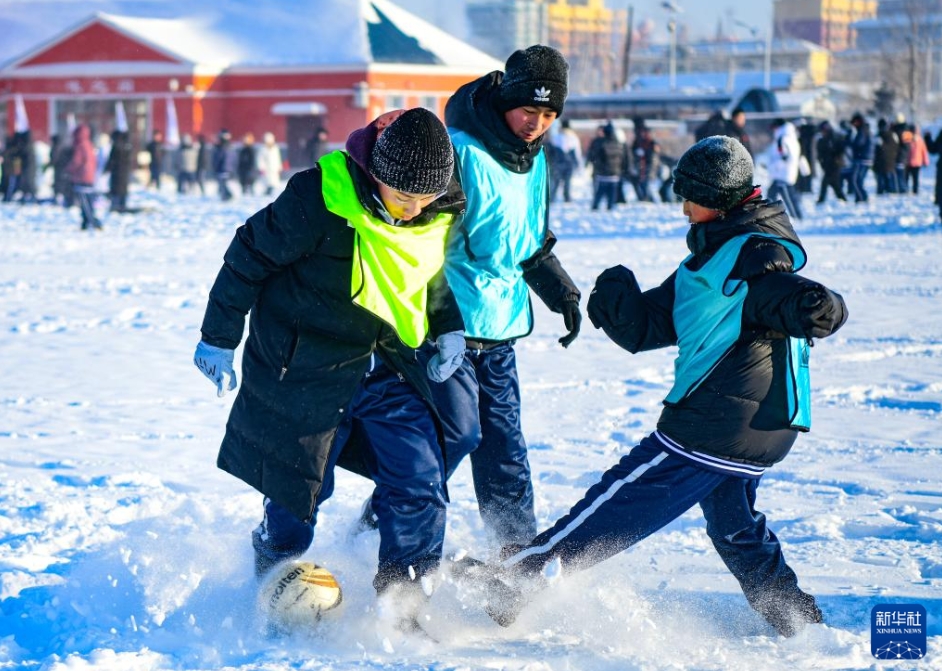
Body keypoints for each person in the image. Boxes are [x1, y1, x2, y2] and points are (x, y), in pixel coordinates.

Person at [453, 135, 849, 638]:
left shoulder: (755, 255)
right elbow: (650, 326)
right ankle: (799, 622)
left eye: (690, 195)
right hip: (756, 428)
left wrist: (819, 305)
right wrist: (616, 301)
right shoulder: (709, 259)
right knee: (736, 529)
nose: (682, 206)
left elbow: (794, 298)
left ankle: (518, 579)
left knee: (618, 501)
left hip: (716, 423)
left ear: (722, 198)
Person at [193, 108, 466, 630]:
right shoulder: (318, 197)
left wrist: (448, 325)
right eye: (402, 197)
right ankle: (273, 580)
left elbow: (425, 276)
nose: (413, 211)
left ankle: (404, 607)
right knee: (297, 499)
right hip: (306, 367)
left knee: (419, 483)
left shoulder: (437, 209)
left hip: (386, 364)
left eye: (423, 199)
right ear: (377, 174)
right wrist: (217, 338)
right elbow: (248, 254)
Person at [358, 46, 583, 552]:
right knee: (444, 447)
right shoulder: (457, 151)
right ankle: (377, 535)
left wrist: (559, 289)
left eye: (549, 115)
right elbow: (415, 241)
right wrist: (431, 321)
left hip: (500, 330)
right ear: (506, 99)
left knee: (506, 452)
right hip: (445, 329)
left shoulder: (536, 159)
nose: (537, 123)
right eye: (530, 110)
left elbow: (528, 239)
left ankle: (515, 561)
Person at [764, 118, 803, 220]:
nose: (773, 131)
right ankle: (772, 217)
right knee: (772, 194)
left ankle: (797, 217)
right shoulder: (790, 137)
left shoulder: (782, 139)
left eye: (774, 128)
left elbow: (784, 156)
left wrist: (773, 166)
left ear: (778, 127)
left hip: (782, 173)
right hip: (784, 173)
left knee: (787, 197)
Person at [67, 124, 102, 230]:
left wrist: (69, 170)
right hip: (90, 177)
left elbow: (77, 162)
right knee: (89, 201)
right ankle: (86, 222)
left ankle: (92, 221)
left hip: (81, 177)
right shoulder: (89, 145)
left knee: (84, 202)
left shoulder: (80, 145)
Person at [586, 122, 626, 211]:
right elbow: (623, 158)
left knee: (599, 193)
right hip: (615, 174)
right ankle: (610, 209)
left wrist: (596, 166)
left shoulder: (601, 143)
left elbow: (594, 157)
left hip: (603, 174)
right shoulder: (619, 144)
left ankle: (595, 208)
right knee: (612, 196)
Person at [549, 119, 582, 203]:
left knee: (555, 182)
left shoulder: (556, 138)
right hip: (569, 163)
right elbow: (577, 153)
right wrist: (578, 164)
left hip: (558, 163)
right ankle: (567, 198)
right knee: (567, 183)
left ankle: (552, 198)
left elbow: (551, 152)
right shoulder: (574, 138)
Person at [814, 120, 847, 204]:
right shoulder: (822, 139)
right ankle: (842, 198)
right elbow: (820, 152)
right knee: (834, 183)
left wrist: (836, 157)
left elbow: (840, 149)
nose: (822, 132)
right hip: (827, 165)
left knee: (825, 183)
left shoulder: (835, 137)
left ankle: (822, 199)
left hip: (835, 165)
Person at [104, 129, 134, 212]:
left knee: (116, 190)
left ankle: (116, 207)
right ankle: (122, 205)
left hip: (116, 173)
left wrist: (106, 169)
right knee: (122, 190)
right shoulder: (127, 146)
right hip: (124, 172)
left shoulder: (116, 146)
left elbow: (111, 160)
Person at [848, 112, 874, 203]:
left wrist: (850, 140)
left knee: (856, 180)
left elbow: (858, 143)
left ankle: (862, 198)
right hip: (865, 158)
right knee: (858, 180)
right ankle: (861, 197)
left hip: (862, 159)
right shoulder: (866, 129)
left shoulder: (862, 130)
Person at [212, 129, 234, 201]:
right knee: (223, 183)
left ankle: (228, 196)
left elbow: (219, 158)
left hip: (223, 168)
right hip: (227, 168)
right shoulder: (229, 146)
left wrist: (216, 166)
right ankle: (226, 196)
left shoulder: (222, 147)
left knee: (223, 184)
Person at [258, 132, 283, 196]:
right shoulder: (262, 149)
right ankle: (267, 190)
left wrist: (279, 167)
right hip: (266, 169)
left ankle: (270, 190)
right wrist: (261, 168)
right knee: (267, 181)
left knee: (273, 182)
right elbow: (260, 159)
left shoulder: (275, 148)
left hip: (274, 168)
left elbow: (278, 158)